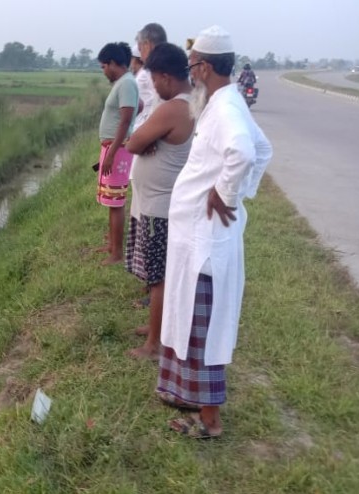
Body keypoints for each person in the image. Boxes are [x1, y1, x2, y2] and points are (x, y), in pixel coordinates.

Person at [157, 26, 272, 438]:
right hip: (196, 238)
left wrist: (226, 193)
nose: (190, 75)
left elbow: (245, 151)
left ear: (204, 68)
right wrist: (234, 192)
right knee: (189, 321)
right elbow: (264, 149)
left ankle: (209, 422)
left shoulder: (225, 109)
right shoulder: (224, 102)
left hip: (205, 242)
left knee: (200, 329)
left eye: (192, 67)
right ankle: (188, 396)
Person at [124, 43, 195, 361]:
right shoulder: (192, 102)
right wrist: (145, 139)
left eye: (154, 79)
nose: (153, 86)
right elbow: (141, 140)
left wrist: (142, 139)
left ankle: (154, 345)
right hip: (162, 203)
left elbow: (134, 142)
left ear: (166, 76)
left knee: (158, 278)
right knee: (162, 274)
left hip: (159, 208)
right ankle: (159, 328)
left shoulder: (173, 108)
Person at [127, 23, 168, 299]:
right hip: (148, 164)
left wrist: (147, 136)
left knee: (152, 233)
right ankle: (150, 286)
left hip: (159, 176)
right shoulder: (153, 73)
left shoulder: (153, 74)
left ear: (147, 45)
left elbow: (151, 111)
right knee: (145, 227)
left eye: (140, 46)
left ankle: (153, 289)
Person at [96, 42, 139, 266]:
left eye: (104, 67)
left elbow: (125, 119)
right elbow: (139, 105)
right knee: (110, 199)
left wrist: (112, 152)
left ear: (113, 63)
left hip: (118, 150)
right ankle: (112, 245)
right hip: (114, 148)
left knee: (116, 202)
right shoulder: (124, 83)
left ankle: (117, 253)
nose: (104, 71)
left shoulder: (126, 83)